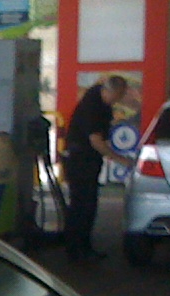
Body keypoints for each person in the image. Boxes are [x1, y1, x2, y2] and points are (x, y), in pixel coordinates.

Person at [61, 75, 135, 261]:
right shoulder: (93, 105)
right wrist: (120, 159)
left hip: (88, 160)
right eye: (119, 95)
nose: (119, 100)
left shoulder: (102, 103)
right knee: (82, 206)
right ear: (111, 91)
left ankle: (82, 247)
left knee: (87, 205)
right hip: (80, 160)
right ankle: (77, 249)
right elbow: (96, 140)